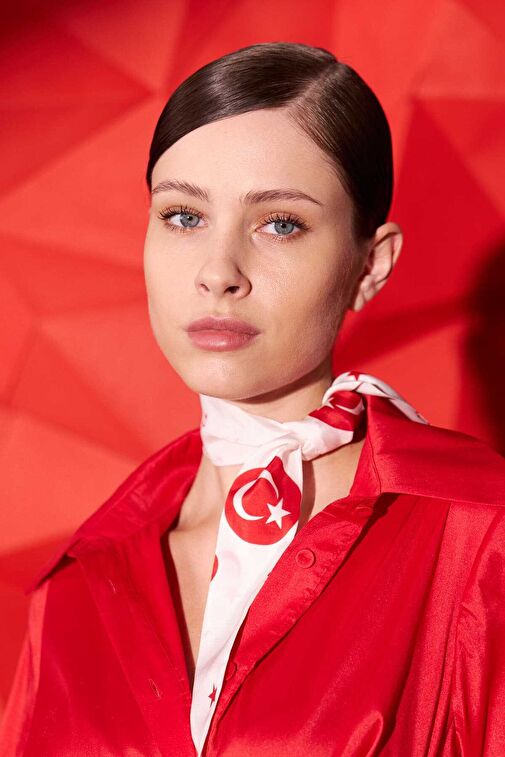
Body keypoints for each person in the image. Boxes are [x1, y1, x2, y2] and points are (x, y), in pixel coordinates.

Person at [1, 41, 504, 757]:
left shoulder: (478, 535)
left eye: (280, 223)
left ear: (370, 264)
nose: (218, 271)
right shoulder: (79, 585)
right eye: (183, 216)